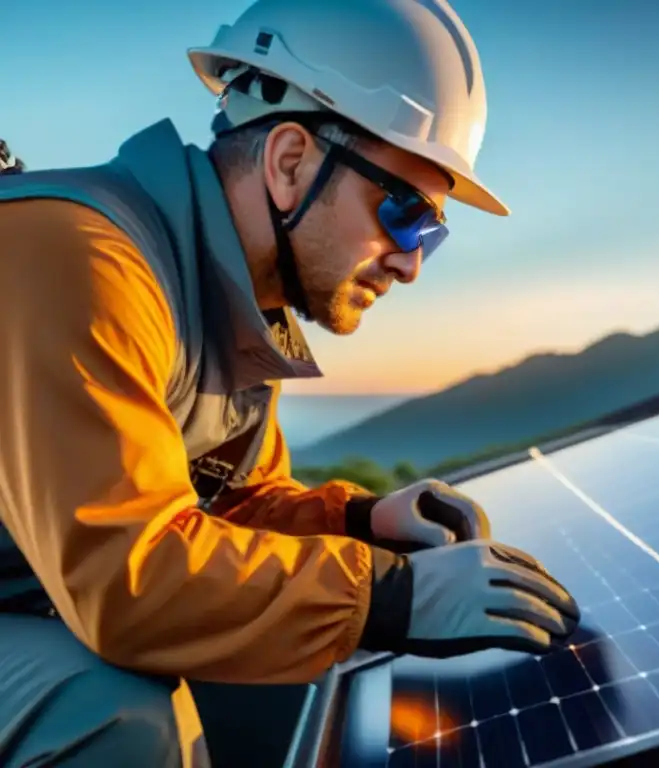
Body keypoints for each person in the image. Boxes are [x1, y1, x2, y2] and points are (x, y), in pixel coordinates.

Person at [0, 1, 581, 766]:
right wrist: (390, 597)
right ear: (289, 161)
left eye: (432, 236)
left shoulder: (226, 306)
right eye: (405, 213)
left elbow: (225, 507)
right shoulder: (85, 263)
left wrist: (360, 523)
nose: (412, 260)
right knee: (111, 712)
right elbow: (126, 579)